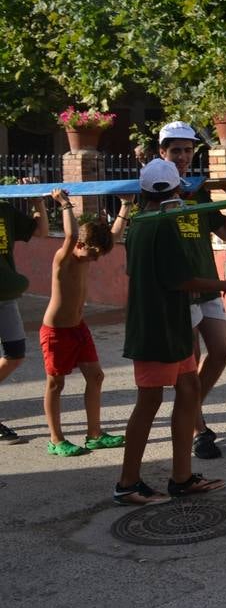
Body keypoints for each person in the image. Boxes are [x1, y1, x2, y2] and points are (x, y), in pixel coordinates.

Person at [116, 160, 226, 505]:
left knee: (189, 389)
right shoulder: (162, 225)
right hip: (158, 329)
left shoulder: (140, 223)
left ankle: (182, 478)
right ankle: (127, 483)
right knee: (149, 401)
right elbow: (179, 279)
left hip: (173, 325)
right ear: (176, 189)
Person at [157, 120, 226, 460]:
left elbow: (225, 234)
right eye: (175, 150)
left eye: (187, 150)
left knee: (221, 351)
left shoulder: (199, 190)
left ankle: (189, 409)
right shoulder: (156, 189)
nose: (182, 156)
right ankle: (198, 429)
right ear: (162, 152)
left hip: (206, 283)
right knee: (190, 362)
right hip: (179, 289)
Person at [41, 188, 122, 456]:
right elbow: (72, 234)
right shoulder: (62, 259)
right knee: (56, 383)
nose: (96, 260)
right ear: (79, 246)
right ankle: (55, 439)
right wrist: (64, 204)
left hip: (78, 328)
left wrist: (126, 206)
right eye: (93, 254)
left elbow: (113, 236)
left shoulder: (86, 254)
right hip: (56, 331)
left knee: (96, 376)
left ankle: (94, 434)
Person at [0, 180, 49, 444]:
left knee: (15, 354)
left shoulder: (4, 209)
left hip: (5, 296)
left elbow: (41, 231)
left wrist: (37, 200)